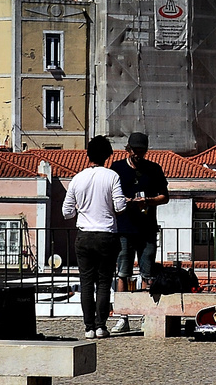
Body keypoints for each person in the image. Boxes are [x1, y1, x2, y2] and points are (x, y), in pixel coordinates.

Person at [62, 136, 127, 339]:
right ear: (107, 155)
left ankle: (88, 327)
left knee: (87, 283)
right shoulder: (112, 177)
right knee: (104, 282)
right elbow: (120, 207)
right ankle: (101, 326)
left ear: (88, 155)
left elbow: (67, 212)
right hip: (107, 235)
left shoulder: (77, 179)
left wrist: (81, 210)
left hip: (84, 235)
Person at [111, 132, 169, 334]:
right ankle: (122, 317)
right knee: (122, 273)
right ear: (128, 149)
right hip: (124, 228)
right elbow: (110, 195)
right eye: (135, 150)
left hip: (147, 229)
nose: (138, 154)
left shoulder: (154, 170)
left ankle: (146, 315)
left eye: (141, 151)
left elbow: (165, 196)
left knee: (147, 274)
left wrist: (148, 201)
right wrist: (123, 202)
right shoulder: (117, 169)